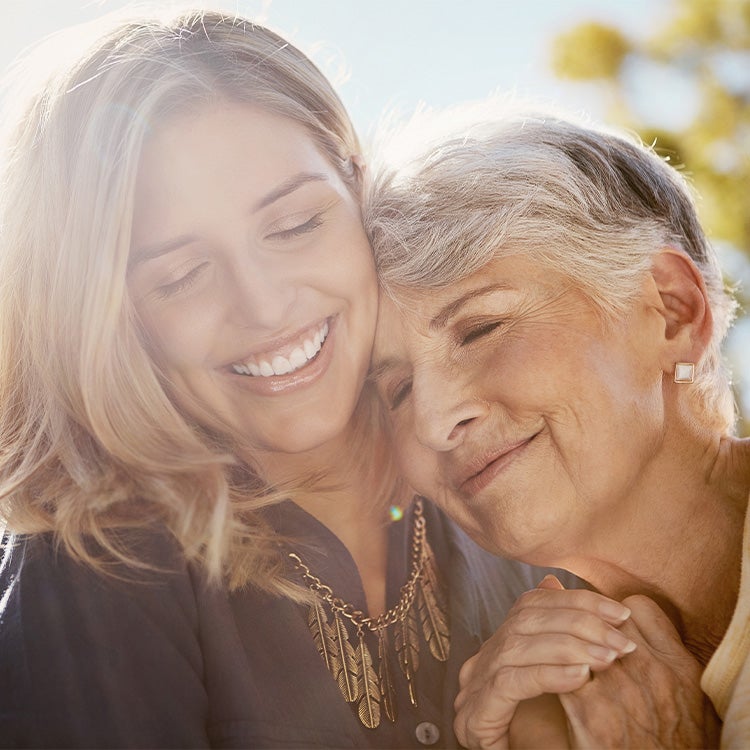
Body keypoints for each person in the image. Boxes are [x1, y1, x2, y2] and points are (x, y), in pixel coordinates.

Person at [0, 10, 607, 749]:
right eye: (183, 275)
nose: (263, 306)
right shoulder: (98, 566)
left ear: (357, 186)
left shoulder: (519, 476)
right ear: (107, 318)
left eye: (293, 226)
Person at [365, 102, 749, 747]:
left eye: (482, 328)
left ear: (671, 310)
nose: (434, 422)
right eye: (397, 391)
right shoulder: (552, 705)